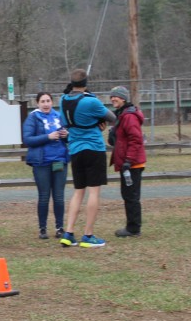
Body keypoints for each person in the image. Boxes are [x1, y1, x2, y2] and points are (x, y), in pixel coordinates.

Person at [59, 69, 116, 248]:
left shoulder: (62, 100)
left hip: (75, 149)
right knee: (93, 192)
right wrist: (97, 122)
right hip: (93, 149)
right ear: (86, 83)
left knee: (78, 192)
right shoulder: (91, 101)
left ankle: (68, 233)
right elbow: (112, 118)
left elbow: (67, 122)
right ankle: (88, 235)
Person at [22, 92, 69, 240]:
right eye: (42, 101)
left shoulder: (58, 116)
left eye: (48, 101)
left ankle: (60, 228)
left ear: (52, 102)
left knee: (59, 197)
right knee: (44, 197)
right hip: (41, 162)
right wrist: (48, 137)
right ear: (37, 103)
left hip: (59, 161)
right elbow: (27, 139)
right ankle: (42, 229)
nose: (46, 104)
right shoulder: (33, 118)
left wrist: (66, 135)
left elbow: (70, 136)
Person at [108, 86, 146, 238]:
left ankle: (133, 228)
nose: (113, 99)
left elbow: (135, 139)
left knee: (131, 196)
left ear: (123, 98)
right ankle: (132, 226)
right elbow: (122, 140)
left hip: (132, 164)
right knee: (128, 194)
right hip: (128, 163)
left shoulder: (129, 116)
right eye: (112, 97)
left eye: (116, 96)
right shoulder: (122, 115)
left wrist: (128, 160)